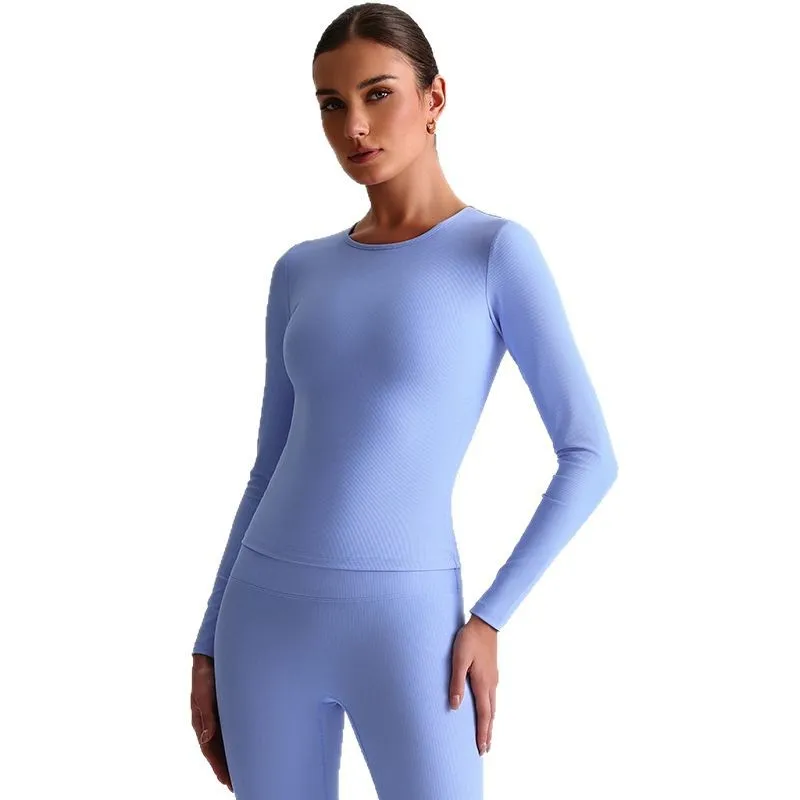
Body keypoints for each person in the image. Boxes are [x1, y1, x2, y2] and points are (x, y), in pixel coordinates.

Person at [189, 4, 618, 798]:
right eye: (331, 103)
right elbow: (268, 464)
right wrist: (209, 639)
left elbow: (590, 455)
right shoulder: (299, 270)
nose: (353, 125)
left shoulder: (493, 252)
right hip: (263, 617)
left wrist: (491, 617)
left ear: (434, 98)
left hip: (409, 628)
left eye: (377, 93)